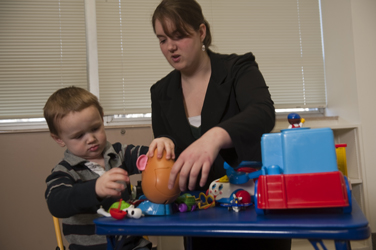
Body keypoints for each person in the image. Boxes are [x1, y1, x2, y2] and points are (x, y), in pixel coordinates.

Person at [149, 0, 291, 249]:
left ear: (201, 32)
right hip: (198, 219)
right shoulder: (160, 92)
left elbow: (263, 113)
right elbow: (167, 151)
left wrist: (214, 137)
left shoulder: (238, 68)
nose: (170, 47)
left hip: (254, 214)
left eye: (179, 36)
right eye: (162, 40)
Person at [44, 86, 174, 250]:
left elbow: (150, 156)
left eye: (95, 128)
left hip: (131, 244)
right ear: (59, 139)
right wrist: (94, 189)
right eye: (78, 136)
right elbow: (56, 203)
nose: (91, 139)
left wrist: (163, 142)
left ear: (102, 119)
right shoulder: (64, 171)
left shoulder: (119, 153)